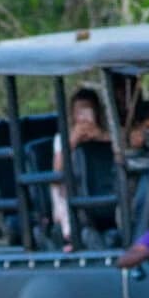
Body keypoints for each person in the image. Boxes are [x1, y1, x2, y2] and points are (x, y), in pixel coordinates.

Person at [52, 87, 109, 245]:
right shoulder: (62, 138)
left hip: (105, 191)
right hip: (74, 194)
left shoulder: (108, 133)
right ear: (72, 115)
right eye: (79, 113)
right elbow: (56, 173)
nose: (83, 118)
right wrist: (72, 141)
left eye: (88, 112)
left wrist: (101, 137)